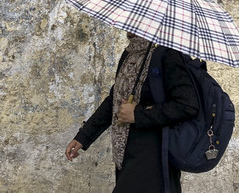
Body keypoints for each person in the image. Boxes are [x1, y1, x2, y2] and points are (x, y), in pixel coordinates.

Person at [65, 32, 199, 192]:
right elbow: (114, 100)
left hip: (153, 157)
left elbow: (188, 104)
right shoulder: (130, 53)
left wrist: (139, 113)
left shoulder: (168, 54)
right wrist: (84, 136)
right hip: (127, 153)